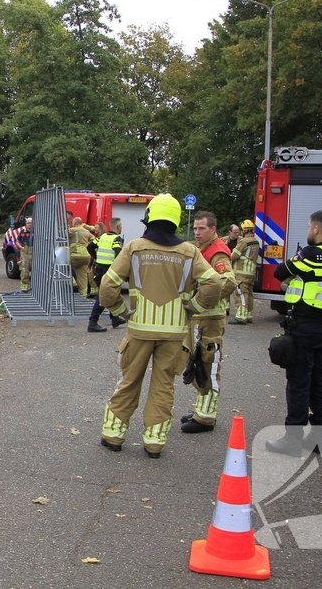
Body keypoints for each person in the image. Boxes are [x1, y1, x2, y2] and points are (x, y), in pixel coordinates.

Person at [98, 194, 221, 458]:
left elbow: (107, 287)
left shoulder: (133, 247)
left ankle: (114, 436)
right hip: (175, 334)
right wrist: (194, 308)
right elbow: (215, 284)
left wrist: (122, 312)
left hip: (139, 331)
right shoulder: (189, 251)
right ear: (176, 219)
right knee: (163, 385)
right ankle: (154, 442)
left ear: (150, 217)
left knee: (129, 381)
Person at [265, 210, 322, 456]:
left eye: (309, 227)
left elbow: (280, 272)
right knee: (318, 384)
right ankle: (318, 438)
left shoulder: (313, 254)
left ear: (316, 229)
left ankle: (292, 439)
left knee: (299, 384)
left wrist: (294, 265)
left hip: (304, 327)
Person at [180, 211, 237, 434]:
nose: (197, 232)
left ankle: (206, 418)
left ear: (213, 229)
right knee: (199, 364)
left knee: (209, 365)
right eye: (195, 228)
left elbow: (228, 283)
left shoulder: (217, 253)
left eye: (202, 228)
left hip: (210, 319)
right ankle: (201, 411)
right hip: (202, 319)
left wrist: (197, 304)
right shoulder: (203, 249)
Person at [87, 218, 127, 332]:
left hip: (98, 268)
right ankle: (93, 322)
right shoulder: (116, 239)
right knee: (103, 296)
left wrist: (96, 257)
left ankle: (115, 319)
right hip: (109, 270)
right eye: (121, 225)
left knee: (110, 293)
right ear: (118, 227)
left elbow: (90, 247)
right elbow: (119, 253)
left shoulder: (102, 237)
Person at [231, 219, 259, 324]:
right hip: (251, 273)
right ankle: (249, 315)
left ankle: (241, 317)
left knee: (241, 294)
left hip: (241, 274)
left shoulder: (243, 242)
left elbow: (233, 256)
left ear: (244, 230)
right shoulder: (255, 241)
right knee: (249, 294)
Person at [68, 217, 95, 294]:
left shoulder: (72, 230)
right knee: (82, 276)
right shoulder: (87, 231)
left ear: (75, 223)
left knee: (63, 267)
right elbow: (94, 240)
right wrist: (86, 244)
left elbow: (61, 235)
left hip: (75, 254)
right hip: (86, 256)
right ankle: (83, 294)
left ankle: (73, 283)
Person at [15, 217, 33, 292]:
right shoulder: (22, 232)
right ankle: (24, 289)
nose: (30, 225)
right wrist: (21, 248)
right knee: (24, 272)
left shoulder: (37, 232)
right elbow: (17, 241)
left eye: (31, 223)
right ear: (26, 224)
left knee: (36, 272)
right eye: (28, 223)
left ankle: (34, 289)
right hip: (24, 254)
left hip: (34, 254)